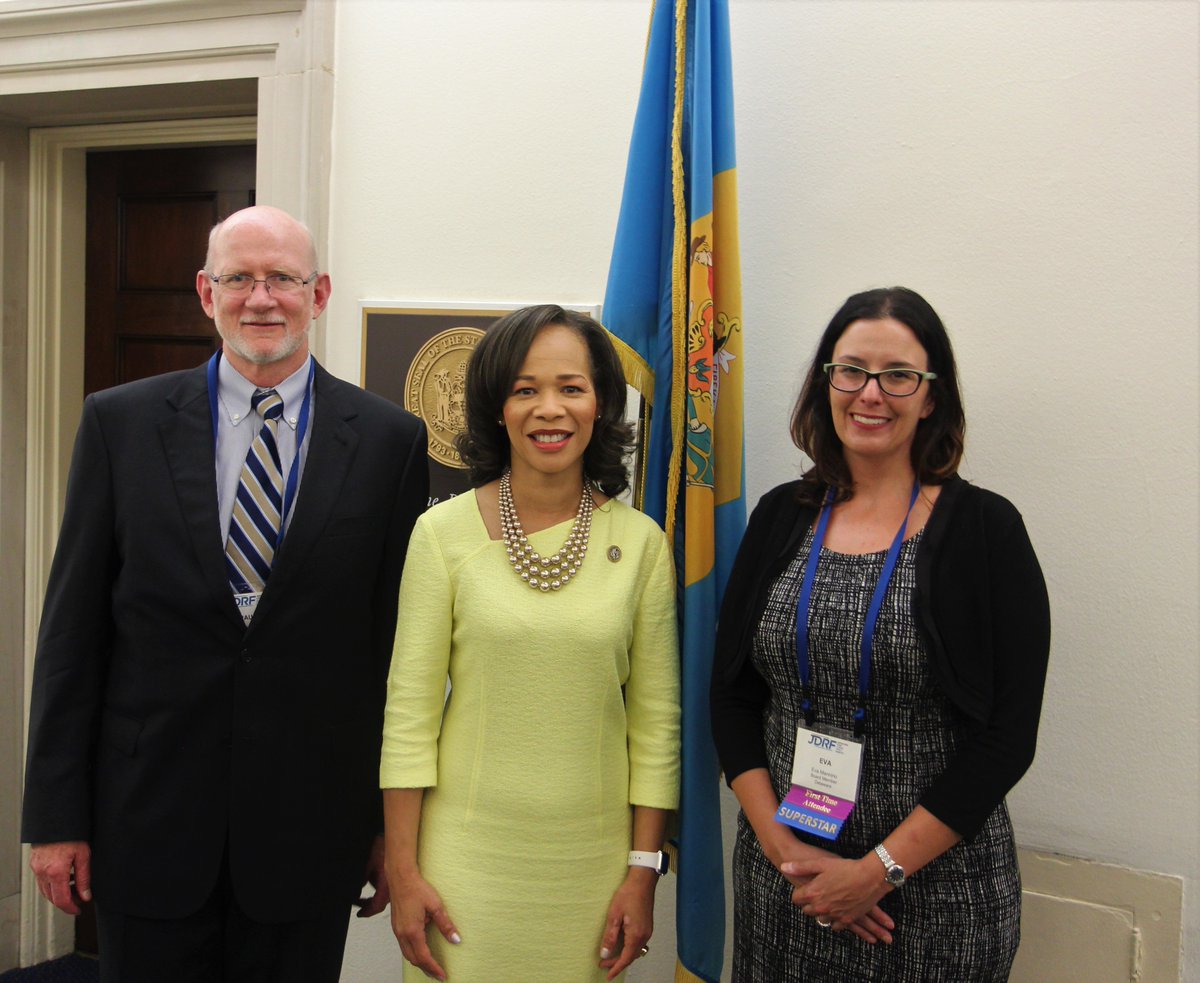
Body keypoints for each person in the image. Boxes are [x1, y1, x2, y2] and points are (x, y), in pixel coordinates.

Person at [21, 205, 429, 982]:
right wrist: (55, 817)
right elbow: (71, 634)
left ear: (319, 293)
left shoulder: (390, 441)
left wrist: (391, 829)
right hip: (147, 821)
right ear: (207, 292)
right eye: (239, 277)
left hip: (309, 830)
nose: (261, 298)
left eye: (283, 278)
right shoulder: (119, 424)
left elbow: (392, 653)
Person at [710, 287, 1050, 982]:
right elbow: (732, 696)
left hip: (935, 898)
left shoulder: (986, 530)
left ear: (931, 398)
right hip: (788, 887)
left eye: (898, 375)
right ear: (826, 383)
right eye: (852, 370)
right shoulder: (779, 515)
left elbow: (1008, 736)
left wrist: (875, 871)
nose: (871, 393)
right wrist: (789, 856)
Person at [380, 304, 680, 982]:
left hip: (592, 873)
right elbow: (408, 720)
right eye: (526, 389)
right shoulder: (442, 535)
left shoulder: (642, 546)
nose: (550, 409)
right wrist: (403, 870)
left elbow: (656, 728)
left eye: (571, 387)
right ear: (497, 407)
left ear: (601, 404)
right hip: (463, 868)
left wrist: (643, 872)